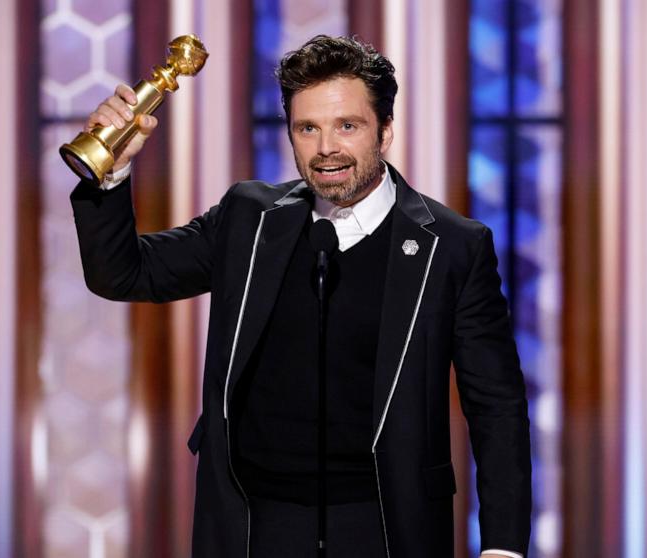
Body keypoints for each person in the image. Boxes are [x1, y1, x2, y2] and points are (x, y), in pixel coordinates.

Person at [71, 35, 531, 558]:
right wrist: (110, 170)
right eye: (307, 128)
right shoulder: (249, 218)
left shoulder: (452, 246)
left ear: (385, 132)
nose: (326, 147)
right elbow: (124, 274)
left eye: (347, 126)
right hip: (255, 523)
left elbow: (496, 405)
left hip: (384, 523)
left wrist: (503, 545)